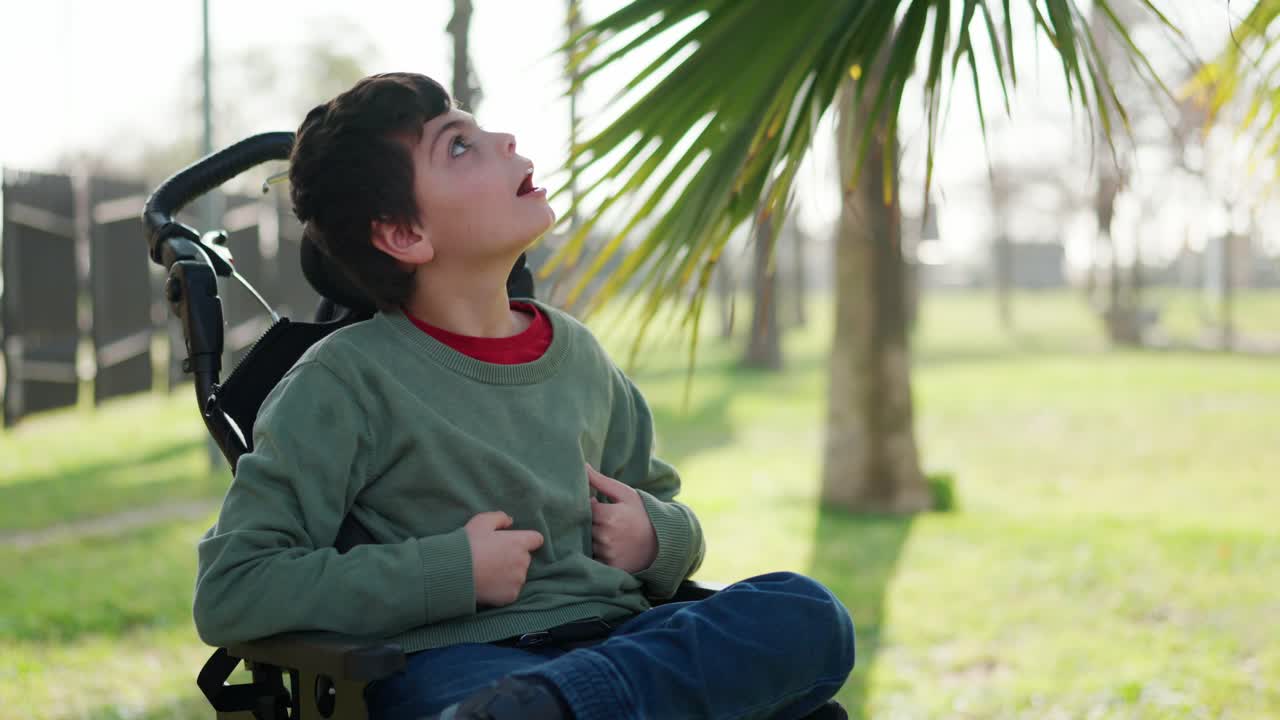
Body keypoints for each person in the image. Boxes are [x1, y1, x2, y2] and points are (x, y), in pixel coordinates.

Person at [192, 72, 855, 720]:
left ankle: (566, 704)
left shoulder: (581, 357)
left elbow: (662, 508)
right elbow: (233, 587)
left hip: (623, 640)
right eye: (458, 145)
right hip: (462, 665)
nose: (505, 140)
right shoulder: (344, 381)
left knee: (809, 613)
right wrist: (449, 571)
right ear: (404, 235)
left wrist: (660, 538)